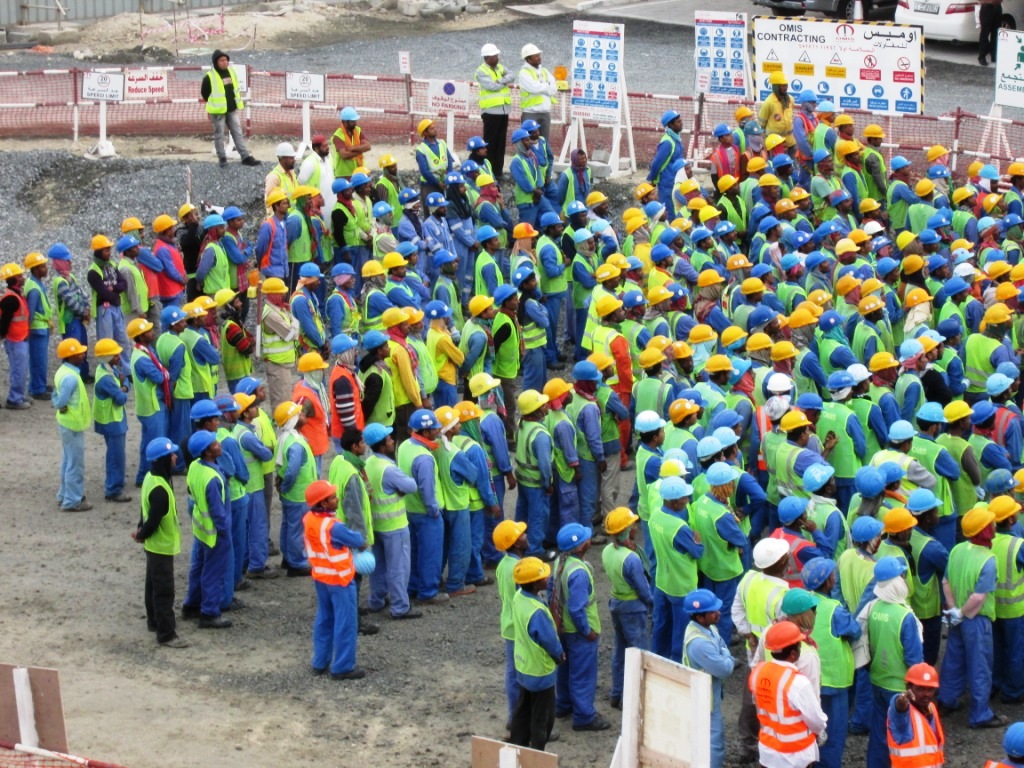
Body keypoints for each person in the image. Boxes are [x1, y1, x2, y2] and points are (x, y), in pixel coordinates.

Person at [937, 505, 1008, 728]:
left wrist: (954, 610)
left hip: (956, 617)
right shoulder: (988, 560)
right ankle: (980, 714)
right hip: (976, 620)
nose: (994, 526)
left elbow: (945, 582)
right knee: (980, 666)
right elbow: (979, 597)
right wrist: (963, 612)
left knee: (953, 660)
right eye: (990, 524)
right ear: (983, 530)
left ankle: (946, 700)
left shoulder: (957, 549)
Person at [863, 556, 925, 768]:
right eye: (902, 575)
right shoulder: (904, 616)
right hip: (900, 688)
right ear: (896, 581)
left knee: (879, 732)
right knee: (901, 735)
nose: (904, 579)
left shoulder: (873, 608)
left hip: (878, 681)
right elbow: (914, 659)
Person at [302, 479, 366, 680]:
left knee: (325, 619)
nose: (337, 499)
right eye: (332, 497)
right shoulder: (333, 527)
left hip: (321, 578)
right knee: (346, 623)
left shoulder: (308, 519)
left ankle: (320, 662)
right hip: (340, 580)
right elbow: (357, 540)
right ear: (323, 503)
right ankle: (342, 667)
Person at [550, 523, 610, 731]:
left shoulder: (560, 561)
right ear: (580, 547)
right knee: (583, 675)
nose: (589, 539)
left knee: (565, 669)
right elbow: (577, 609)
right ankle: (584, 716)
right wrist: (588, 631)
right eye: (586, 538)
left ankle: (563, 704)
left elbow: (551, 589)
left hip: (563, 628)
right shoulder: (578, 573)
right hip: (579, 632)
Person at [802, 557, 860, 768]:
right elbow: (855, 631)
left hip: (809, 679)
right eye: (832, 575)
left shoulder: (802, 603)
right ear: (827, 582)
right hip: (835, 680)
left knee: (811, 729)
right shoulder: (835, 610)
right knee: (834, 733)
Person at [132, 437, 187, 648]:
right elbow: (154, 519)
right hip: (161, 546)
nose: (175, 457)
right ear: (162, 460)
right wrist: (143, 533)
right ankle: (166, 634)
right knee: (164, 590)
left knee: (152, 585)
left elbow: (144, 511)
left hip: (153, 545)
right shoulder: (161, 491)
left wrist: (141, 532)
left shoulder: (151, 479)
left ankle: (154, 621)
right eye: (171, 455)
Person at [750, 620, 828, 768]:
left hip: (768, 751)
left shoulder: (758, 672)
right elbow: (816, 720)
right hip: (795, 755)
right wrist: (821, 730)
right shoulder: (798, 682)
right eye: (799, 645)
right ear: (793, 654)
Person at [510, 556, 564, 751]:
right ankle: (537, 753)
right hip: (540, 671)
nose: (547, 578)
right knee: (543, 717)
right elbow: (549, 640)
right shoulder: (537, 611)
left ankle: (518, 745)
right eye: (543, 577)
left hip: (523, 666)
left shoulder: (519, 597)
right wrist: (559, 655)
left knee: (523, 710)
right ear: (534, 584)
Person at [601, 508, 653, 710]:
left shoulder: (608, 551)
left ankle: (617, 693)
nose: (636, 528)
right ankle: (632, 699)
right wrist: (652, 602)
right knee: (639, 654)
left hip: (616, 603)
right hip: (633, 608)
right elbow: (643, 589)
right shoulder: (631, 559)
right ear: (626, 530)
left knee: (620, 652)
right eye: (632, 525)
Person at [649, 475, 704, 662]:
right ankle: (677, 664)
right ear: (673, 502)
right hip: (682, 585)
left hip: (662, 581)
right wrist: (698, 539)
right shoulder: (679, 527)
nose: (687, 501)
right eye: (684, 498)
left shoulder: (655, 515)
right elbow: (697, 552)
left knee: (661, 626)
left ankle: (657, 660)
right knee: (681, 631)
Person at [181, 430, 232, 629]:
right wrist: (225, 532)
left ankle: (191, 605)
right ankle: (209, 612)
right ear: (207, 452)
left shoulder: (195, 466)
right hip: (215, 533)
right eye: (214, 444)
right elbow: (218, 512)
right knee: (213, 572)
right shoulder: (212, 478)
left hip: (200, 528)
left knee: (198, 568)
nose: (219, 444)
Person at [397, 408, 448, 604]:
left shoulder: (405, 446)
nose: (438, 431)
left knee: (414, 552)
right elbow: (427, 489)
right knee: (430, 554)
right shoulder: (424, 457)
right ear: (425, 432)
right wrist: (434, 510)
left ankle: (413, 586)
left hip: (409, 509)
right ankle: (428, 592)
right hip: (427, 513)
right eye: (434, 429)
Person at [682, 588, 734, 768]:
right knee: (714, 742)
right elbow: (725, 668)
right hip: (705, 698)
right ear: (700, 617)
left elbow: (722, 646)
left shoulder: (708, 628)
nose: (718, 613)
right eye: (713, 611)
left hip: (708, 691)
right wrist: (726, 655)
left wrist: (723, 653)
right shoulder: (699, 644)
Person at [233, 391, 276, 580]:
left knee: (246, 528)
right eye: (253, 406)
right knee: (258, 527)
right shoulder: (247, 436)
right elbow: (266, 454)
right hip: (254, 485)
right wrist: (268, 449)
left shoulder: (238, 431)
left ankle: (245, 563)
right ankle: (257, 566)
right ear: (245, 412)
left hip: (246, 487)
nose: (257, 407)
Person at [495, 519, 530, 727]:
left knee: (512, 673)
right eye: (521, 534)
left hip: (508, 624)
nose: (526, 536)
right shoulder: (518, 568)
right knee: (523, 675)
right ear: (516, 543)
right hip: (520, 627)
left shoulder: (503, 564)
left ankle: (514, 717)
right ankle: (520, 721)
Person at [275, 400, 315, 576]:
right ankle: (296, 563)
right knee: (297, 529)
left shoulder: (287, 438)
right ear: (292, 420)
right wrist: (285, 486)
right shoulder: (296, 444)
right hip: (298, 495)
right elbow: (292, 471)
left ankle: (288, 557)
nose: (303, 414)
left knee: (288, 526)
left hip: (292, 494)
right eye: (299, 413)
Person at [200, 50, 259, 167]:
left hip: (231, 109)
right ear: (216, 62)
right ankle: (222, 158)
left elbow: (235, 89)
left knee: (237, 132)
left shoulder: (231, 73)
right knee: (219, 135)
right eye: (221, 60)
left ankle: (245, 157)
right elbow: (205, 93)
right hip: (218, 112)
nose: (224, 62)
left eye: (226, 60)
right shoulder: (209, 77)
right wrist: (214, 105)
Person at [53, 338, 92, 512]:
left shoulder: (63, 372)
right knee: (75, 463)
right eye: (79, 353)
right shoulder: (70, 377)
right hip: (73, 423)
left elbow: (56, 396)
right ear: (70, 356)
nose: (83, 355)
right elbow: (61, 400)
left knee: (68, 460)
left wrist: (59, 404)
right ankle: (72, 500)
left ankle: (64, 495)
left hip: (67, 422)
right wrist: (59, 404)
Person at [93, 338, 131, 504]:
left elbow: (124, 382)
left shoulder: (106, 370)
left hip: (112, 419)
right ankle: (114, 489)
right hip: (112, 421)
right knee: (116, 456)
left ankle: (115, 485)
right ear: (107, 357)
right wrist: (124, 388)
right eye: (115, 355)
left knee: (115, 454)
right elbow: (121, 398)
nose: (118, 357)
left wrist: (123, 386)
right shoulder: (107, 378)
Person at [155, 306, 194, 465]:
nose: (185, 323)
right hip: (180, 392)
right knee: (182, 430)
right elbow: (175, 374)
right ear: (174, 325)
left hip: (170, 390)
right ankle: (179, 463)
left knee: (172, 427)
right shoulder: (179, 345)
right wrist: (170, 393)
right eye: (181, 321)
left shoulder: (161, 339)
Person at [886, 663, 945, 767]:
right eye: (921, 689)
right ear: (908, 687)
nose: (926, 694)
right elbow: (899, 711)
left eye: (930, 689)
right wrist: (901, 702)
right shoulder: (905, 715)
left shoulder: (931, 708)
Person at [49, 244, 92, 382]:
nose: (70, 262)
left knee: (82, 346)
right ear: (60, 262)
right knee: (72, 350)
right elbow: (70, 301)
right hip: (70, 321)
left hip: (78, 319)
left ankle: (83, 374)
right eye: (67, 260)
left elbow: (81, 293)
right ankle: (72, 376)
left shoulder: (70, 277)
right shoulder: (59, 282)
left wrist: (87, 307)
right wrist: (84, 312)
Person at [258, 277, 299, 407]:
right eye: (281, 293)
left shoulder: (278, 309)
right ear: (273, 295)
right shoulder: (271, 314)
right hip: (277, 364)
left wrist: (289, 314)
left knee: (286, 399)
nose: (284, 295)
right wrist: (295, 322)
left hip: (282, 363)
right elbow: (291, 334)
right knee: (282, 403)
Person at [475, 44, 515, 177]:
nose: (497, 58)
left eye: (496, 55)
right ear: (486, 58)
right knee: (490, 144)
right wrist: (503, 82)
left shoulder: (500, 67)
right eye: (494, 56)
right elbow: (492, 87)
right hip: (491, 112)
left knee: (501, 143)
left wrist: (500, 80)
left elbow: (512, 75)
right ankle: (488, 171)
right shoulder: (481, 71)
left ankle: (498, 172)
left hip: (503, 110)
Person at [0, 261, 31, 409]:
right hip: (15, 340)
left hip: (19, 339)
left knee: (20, 369)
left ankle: (19, 395)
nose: (23, 278)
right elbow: (4, 322)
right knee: (19, 370)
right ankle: (15, 399)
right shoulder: (11, 298)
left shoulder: (15, 296)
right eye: (20, 276)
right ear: (15, 279)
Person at [22, 252, 52, 401]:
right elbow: (31, 312)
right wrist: (27, 330)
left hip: (41, 327)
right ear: (35, 269)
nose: (46, 268)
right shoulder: (34, 288)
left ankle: (39, 385)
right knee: (39, 360)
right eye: (43, 266)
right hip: (37, 329)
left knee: (40, 360)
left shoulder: (34, 283)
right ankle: (37, 389)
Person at [518, 44, 557, 140]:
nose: (539, 57)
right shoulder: (524, 73)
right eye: (536, 56)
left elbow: (554, 89)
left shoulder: (544, 71)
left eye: (539, 55)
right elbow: (534, 88)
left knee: (544, 142)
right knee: (529, 142)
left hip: (545, 112)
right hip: (530, 113)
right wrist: (546, 85)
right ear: (528, 59)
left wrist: (542, 86)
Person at [978, 0, 1001, 66]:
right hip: (987, 8)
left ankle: (994, 55)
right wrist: (989, 1)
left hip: (997, 7)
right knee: (985, 33)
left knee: (996, 33)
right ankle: (982, 57)